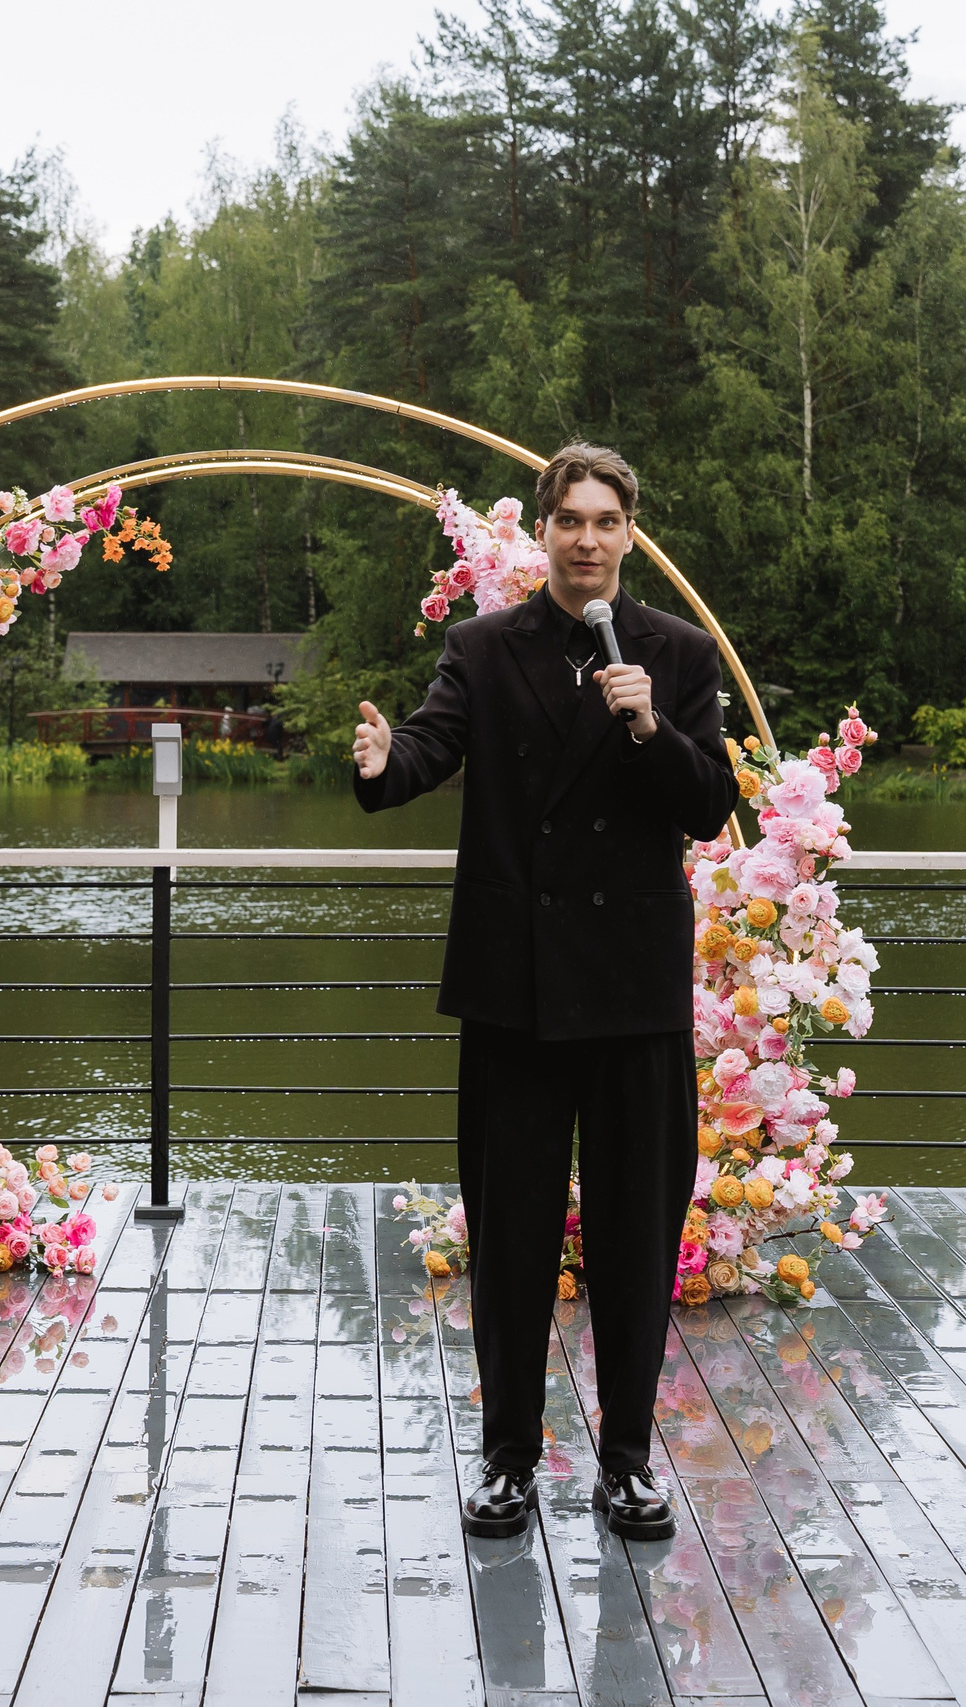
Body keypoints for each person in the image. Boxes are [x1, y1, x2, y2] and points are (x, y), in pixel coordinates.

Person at [352, 442, 738, 1543]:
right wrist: (382, 762)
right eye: (569, 520)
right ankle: (508, 1460)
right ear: (545, 533)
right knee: (512, 1237)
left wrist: (651, 727)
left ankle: (627, 1463)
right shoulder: (483, 647)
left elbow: (709, 805)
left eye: (606, 521)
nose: (586, 539)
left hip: (632, 993)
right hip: (514, 990)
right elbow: (430, 747)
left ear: (630, 535)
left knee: (635, 1239)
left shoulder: (677, 653)